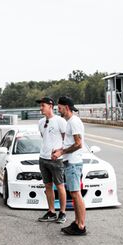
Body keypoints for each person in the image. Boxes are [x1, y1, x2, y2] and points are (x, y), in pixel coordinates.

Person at [51, 97, 87, 235]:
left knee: (76, 194)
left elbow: (78, 144)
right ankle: (77, 223)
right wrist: (60, 149)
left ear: (66, 107)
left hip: (73, 163)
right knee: (74, 193)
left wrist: (62, 151)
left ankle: (81, 225)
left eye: (59, 108)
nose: (58, 110)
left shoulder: (74, 122)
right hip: (70, 162)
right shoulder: (70, 122)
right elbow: (71, 142)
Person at [35, 97, 68, 224]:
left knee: (60, 186)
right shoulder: (40, 122)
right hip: (43, 158)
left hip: (56, 160)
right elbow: (45, 138)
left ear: (50, 106)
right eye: (40, 105)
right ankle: (52, 212)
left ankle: (63, 213)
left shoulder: (60, 121)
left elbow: (66, 140)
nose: (40, 108)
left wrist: (59, 151)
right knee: (48, 186)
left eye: (43, 105)